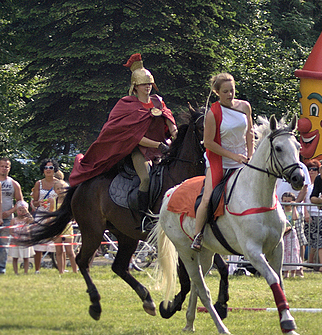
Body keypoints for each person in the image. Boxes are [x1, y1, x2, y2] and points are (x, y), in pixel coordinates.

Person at [69, 53, 177, 230]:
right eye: (144, 84)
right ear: (135, 86)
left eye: (149, 83)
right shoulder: (126, 104)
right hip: (139, 150)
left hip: (163, 148)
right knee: (146, 179)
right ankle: (145, 218)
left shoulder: (158, 102)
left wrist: (175, 134)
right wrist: (158, 145)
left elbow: (169, 120)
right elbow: (134, 137)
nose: (147, 87)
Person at [191, 73, 254, 251]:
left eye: (232, 90)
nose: (229, 94)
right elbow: (209, 143)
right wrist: (233, 157)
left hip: (243, 158)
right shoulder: (212, 113)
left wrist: (251, 155)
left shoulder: (245, 106)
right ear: (217, 92)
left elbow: (249, 132)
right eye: (225, 91)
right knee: (208, 196)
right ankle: (198, 235)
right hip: (219, 160)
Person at [276, 161, 310, 277]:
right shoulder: (278, 163)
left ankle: (299, 267)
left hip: (295, 211)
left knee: (299, 241)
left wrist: (296, 203)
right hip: (279, 209)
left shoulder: (302, 167)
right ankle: (282, 268)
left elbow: (305, 187)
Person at [31, 159, 59, 273]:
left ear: (54, 170)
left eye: (51, 168)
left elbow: (63, 200)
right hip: (41, 215)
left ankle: (61, 269)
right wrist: (40, 203)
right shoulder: (39, 183)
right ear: (43, 170)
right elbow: (34, 202)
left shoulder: (59, 183)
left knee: (58, 244)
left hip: (54, 215)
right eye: (46, 168)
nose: (48, 170)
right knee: (38, 244)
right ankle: (37, 270)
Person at [304, 160, 322, 274]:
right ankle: (310, 261)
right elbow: (303, 200)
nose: (311, 171)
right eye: (309, 169)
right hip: (310, 214)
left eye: (314, 169)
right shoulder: (306, 185)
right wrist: (306, 213)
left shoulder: (321, 184)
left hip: (321, 214)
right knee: (311, 240)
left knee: (321, 241)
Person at [0, 157, 24, 274]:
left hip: (7, 219)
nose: (4, 168)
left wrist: (10, 212)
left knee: (4, 246)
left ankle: (2, 269)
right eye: (2, 166)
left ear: (9, 168)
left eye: (6, 166)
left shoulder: (14, 184)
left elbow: (20, 202)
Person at [51, 180, 78, 274]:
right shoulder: (53, 201)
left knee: (70, 251)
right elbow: (51, 214)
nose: (60, 190)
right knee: (58, 251)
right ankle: (61, 271)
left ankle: (75, 270)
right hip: (57, 228)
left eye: (62, 188)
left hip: (67, 227)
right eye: (58, 188)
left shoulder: (69, 200)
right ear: (55, 190)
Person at [8, 201, 35, 274]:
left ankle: (25, 272)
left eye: (23, 210)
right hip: (16, 241)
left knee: (26, 257)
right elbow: (11, 231)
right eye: (20, 210)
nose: (21, 212)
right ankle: (15, 272)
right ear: (16, 210)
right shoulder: (14, 220)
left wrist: (27, 213)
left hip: (25, 241)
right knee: (15, 257)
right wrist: (15, 236)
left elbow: (32, 220)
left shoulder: (27, 220)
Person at [281, 192, 301, 278]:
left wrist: (294, 207)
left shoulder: (293, 211)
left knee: (293, 253)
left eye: (289, 201)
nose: (286, 203)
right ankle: (286, 273)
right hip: (282, 235)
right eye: (285, 201)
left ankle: (293, 273)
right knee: (284, 253)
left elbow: (294, 218)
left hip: (291, 235)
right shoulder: (281, 211)